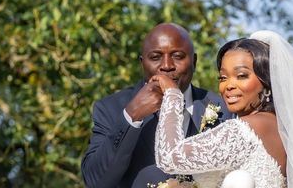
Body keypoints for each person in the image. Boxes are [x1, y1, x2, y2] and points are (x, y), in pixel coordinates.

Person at [152, 30, 293, 188]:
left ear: (266, 82)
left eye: (241, 76)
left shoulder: (244, 130)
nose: (228, 85)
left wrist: (172, 95)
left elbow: (169, 158)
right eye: (223, 77)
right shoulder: (281, 130)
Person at [81, 23, 231, 188]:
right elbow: (96, 181)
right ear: (142, 63)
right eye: (155, 57)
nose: (166, 66)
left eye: (178, 56)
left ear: (194, 61)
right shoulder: (111, 108)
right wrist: (132, 115)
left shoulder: (222, 108)